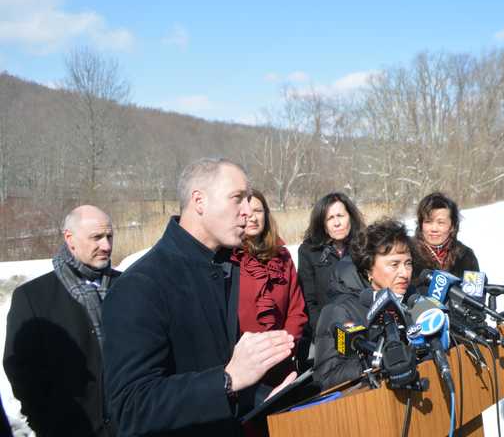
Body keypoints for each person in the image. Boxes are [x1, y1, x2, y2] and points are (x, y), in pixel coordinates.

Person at [102, 158, 296, 437]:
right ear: (199, 201)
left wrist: (263, 397)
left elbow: (213, 368)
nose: (248, 213)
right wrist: (227, 381)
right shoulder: (139, 286)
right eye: (237, 199)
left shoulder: (226, 268)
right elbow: (132, 407)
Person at [4, 205, 120, 437]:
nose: (106, 246)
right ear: (70, 239)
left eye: (109, 237)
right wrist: (47, 422)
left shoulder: (130, 287)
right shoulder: (33, 297)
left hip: (130, 427)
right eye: (96, 237)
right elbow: (22, 371)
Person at [232, 190, 308, 437]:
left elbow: (297, 308)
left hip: (281, 358)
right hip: (242, 364)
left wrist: (285, 344)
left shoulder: (283, 255)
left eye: (259, 211)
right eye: (247, 212)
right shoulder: (229, 259)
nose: (253, 218)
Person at [313, 218, 414, 390]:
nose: (404, 273)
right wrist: (379, 361)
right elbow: (326, 377)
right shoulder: (340, 311)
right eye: (394, 264)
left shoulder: (413, 298)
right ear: (369, 271)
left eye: (408, 263)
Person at [297, 193, 365, 341]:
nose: (337, 223)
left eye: (340, 216)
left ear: (350, 218)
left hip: (362, 329)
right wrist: (322, 333)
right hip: (326, 331)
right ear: (323, 224)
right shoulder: (309, 251)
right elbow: (309, 301)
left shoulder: (364, 247)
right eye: (330, 218)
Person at [412, 192, 480, 295]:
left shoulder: (465, 256)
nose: (434, 229)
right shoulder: (408, 253)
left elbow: (475, 298)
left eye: (441, 223)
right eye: (428, 222)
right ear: (421, 224)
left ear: (452, 226)